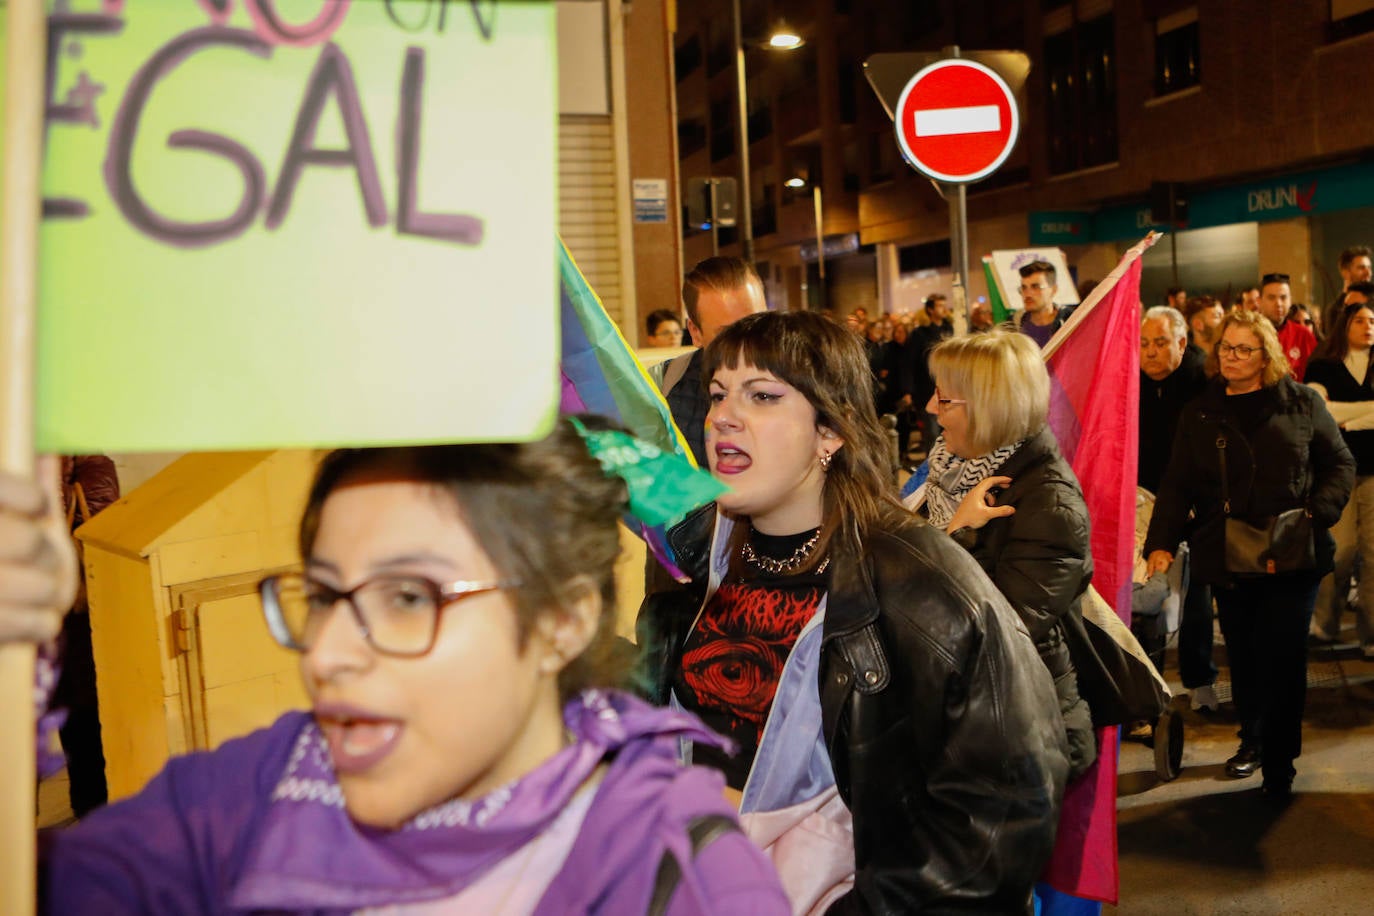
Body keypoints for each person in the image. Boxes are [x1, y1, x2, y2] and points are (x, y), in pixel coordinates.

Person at [27, 419, 790, 913]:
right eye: (323, 594)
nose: (325, 654)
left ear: (561, 622)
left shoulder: (679, 883)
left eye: (407, 597)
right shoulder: (276, 782)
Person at [640, 311, 1068, 913]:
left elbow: (1006, 810)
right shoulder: (698, 557)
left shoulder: (923, 583)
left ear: (829, 433)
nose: (722, 417)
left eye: (762, 395)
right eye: (717, 394)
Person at [1145, 310, 1354, 797]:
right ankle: (1252, 741)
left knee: (1284, 656)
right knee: (1244, 654)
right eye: (1225, 349)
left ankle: (1280, 761)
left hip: (1292, 552)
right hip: (1227, 551)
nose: (1231, 358)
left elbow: (1338, 464)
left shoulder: (1301, 403)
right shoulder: (1200, 412)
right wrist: (1160, 542)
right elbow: (1177, 483)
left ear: (1267, 356)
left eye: (1243, 350)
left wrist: (1313, 514)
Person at [903, 330, 1096, 780]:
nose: (932, 410)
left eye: (945, 400)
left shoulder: (1048, 504)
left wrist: (955, 535)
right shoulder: (952, 471)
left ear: (989, 408)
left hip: (1018, 732)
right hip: (972, 720)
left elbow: (995, 634)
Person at [1137, 308, 1217, 709]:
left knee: (1197, 592)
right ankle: (1146, 686)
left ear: (1182, 344)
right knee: (1144, 592)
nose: (1150, 353)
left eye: (1161, 343)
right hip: (1143, 499)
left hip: (1196, 502)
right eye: (1144, 343)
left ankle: (1200, 679)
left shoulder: (1204, 383)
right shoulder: (1129, 384)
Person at [1305, 287, 1374, 656]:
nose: (1369, 326)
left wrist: (1350, 417)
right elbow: (1323, 414)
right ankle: (1326, 623)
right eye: (1361, 320)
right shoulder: (1322, 365)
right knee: (1340, 550)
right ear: (1343, 324)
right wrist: (1367, 413)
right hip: (1337, 471)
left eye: (1373, 321)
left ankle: (1372, 635)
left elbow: (1339, 413)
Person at [52, 455, 121, 818]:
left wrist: (50, 499)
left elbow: (101, 489)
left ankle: (93, 809)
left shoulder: (72, 441)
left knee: (81, 709)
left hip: (69, 601)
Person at [650, 257, 767, 467]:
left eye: (757, 323)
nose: (747, 341)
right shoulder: (661, 387)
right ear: (695, 332)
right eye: (727, 333)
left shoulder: (806, 381)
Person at [1257, 272, 1317, 381]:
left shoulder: (1303, 335)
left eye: (1283, 297)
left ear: (1290, 301)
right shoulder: (1250, 334)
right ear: (1259, 301)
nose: (1278, 303)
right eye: (1271, 298)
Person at [1015, 260, 1074, 348]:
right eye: (1024, 288)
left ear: (1053, 290)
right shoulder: (1015, 325)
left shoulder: (1070, 322)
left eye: (1035, 287)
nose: (1027, 294)